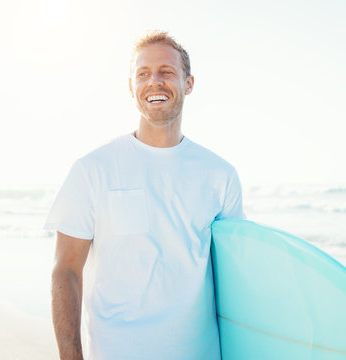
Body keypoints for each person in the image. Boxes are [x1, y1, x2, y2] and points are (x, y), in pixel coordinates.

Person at [44, 31, 245, 360]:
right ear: (130, 87)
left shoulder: (219, 175)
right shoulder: (92, 170)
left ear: (189, 83)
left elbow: (235, 276)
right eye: (143, 74)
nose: (155, 82)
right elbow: (65, 270)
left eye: (167, 72)